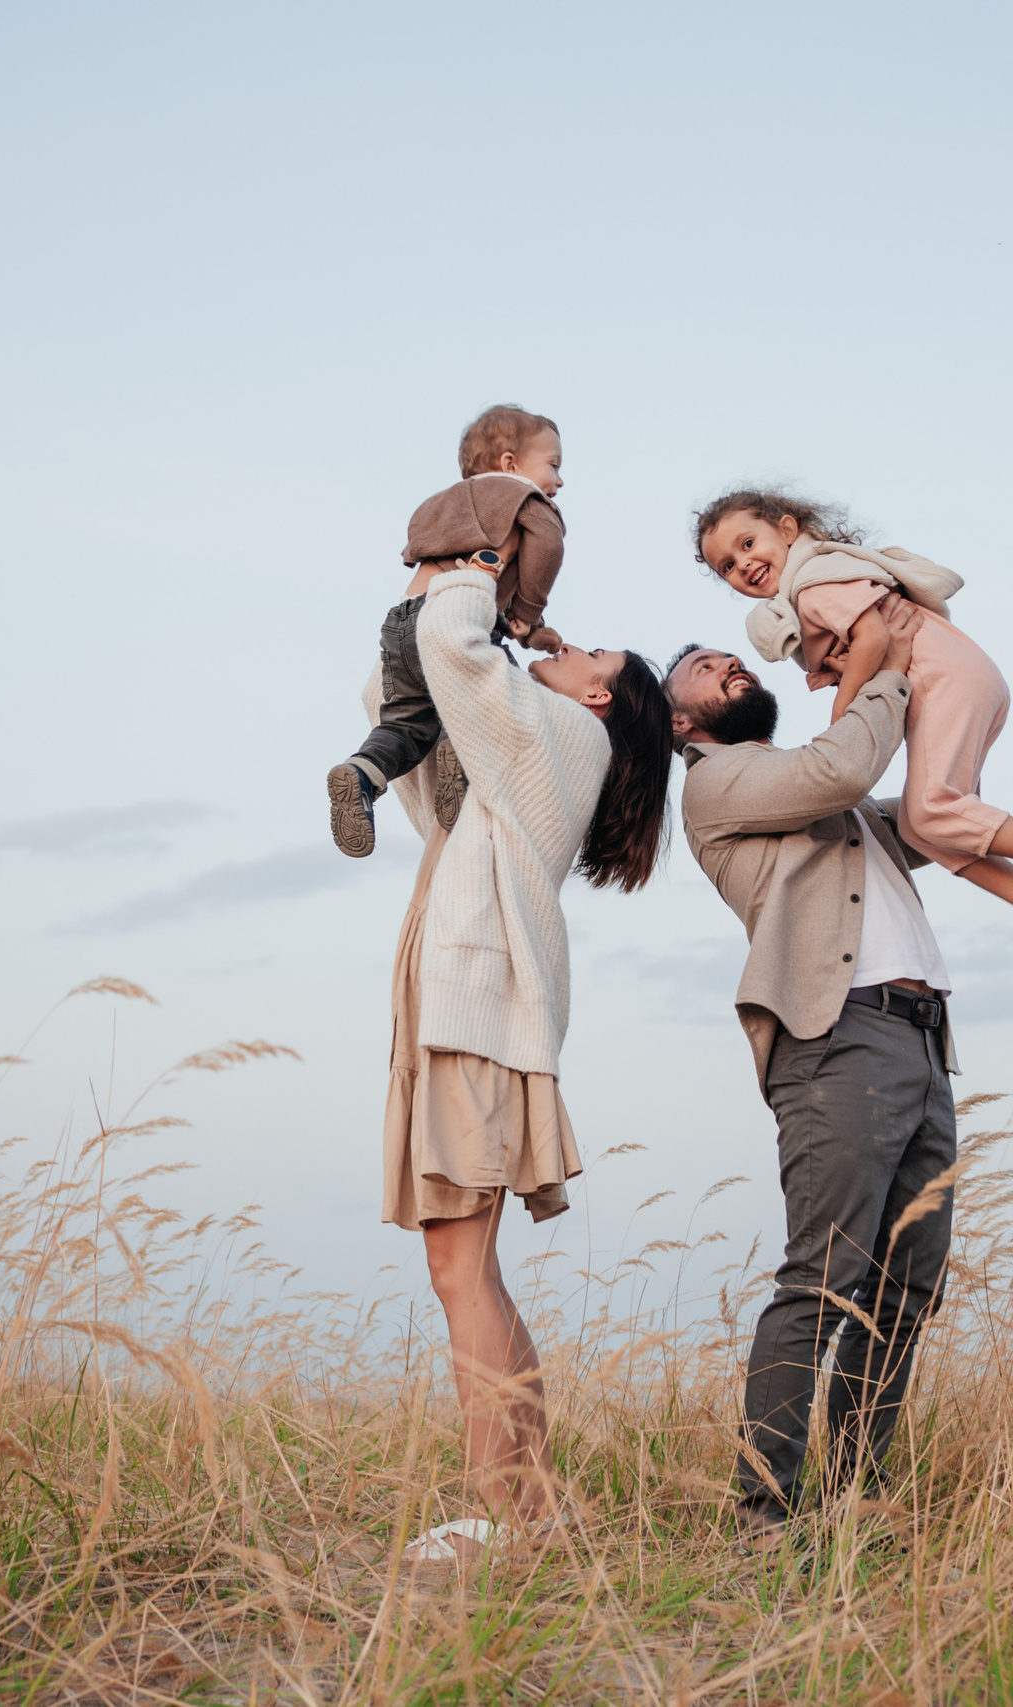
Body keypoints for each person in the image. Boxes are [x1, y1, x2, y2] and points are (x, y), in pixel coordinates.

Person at [372, 554, 674, 1565]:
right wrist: (428, 603)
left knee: (458, 1266)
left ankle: (499, 1516)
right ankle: (530, 1510)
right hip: (469, 1015)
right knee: (469, 1267)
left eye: (589, 652)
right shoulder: (517, 755)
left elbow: (455, 653)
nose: (567, 644)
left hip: (479, 1019)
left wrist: (468, 571)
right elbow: (411, 700)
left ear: (599, 695)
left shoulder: (567, 735)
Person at [665, 603, 956, 1550]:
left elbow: (927, 817)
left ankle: (854, 1499)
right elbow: (843, 762)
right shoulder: (720, 784)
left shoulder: (817, 795)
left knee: (905, 1289)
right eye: (708, 670)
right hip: (838, 1039)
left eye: (731, 659)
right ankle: (764, 1520)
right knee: (823, 1282)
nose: (729, 668)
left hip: (919, 1038)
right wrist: (877, 666)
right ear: (682, 722)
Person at [696, 488, 1013, 991]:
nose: (744, 564)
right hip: (958, 679)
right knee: (922, 828)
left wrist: (842, 722)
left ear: (789, 530)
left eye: (749, 543)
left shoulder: (814, 583)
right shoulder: (812, 588)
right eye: (727, 566)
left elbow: (876, 638)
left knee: (934, 807)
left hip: (944, 680)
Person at [329, 405, 570, 858]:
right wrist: (528, 615)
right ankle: (461, 762)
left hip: (403, 621)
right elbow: (547, 542)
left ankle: (362, 774)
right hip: (459, 612)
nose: (559, 482)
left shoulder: (444, 503)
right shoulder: (524, 498)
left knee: (407, 725)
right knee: (516, 698)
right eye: (553, 465)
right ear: (510, 464)